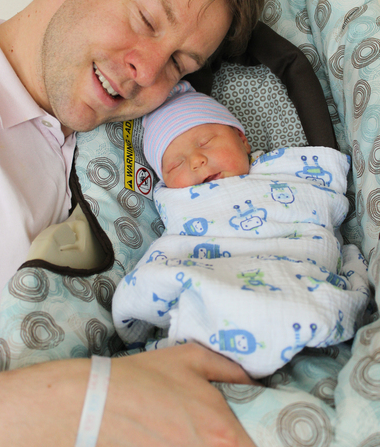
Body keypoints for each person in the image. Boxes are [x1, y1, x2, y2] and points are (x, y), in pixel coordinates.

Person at [0, 0, 267, 447]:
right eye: (146, 19)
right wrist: (91, 403)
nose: (148, 71)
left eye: (179, 64)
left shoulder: (124, 165)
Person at [112, 82, 370, 377]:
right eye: (176, 164)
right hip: (209, 274)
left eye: (205, 142)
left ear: (242, 141)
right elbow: (171, 251)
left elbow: (318, 202)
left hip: (293, 267)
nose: (196, 161)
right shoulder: (180, 206)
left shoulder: (286, 172)